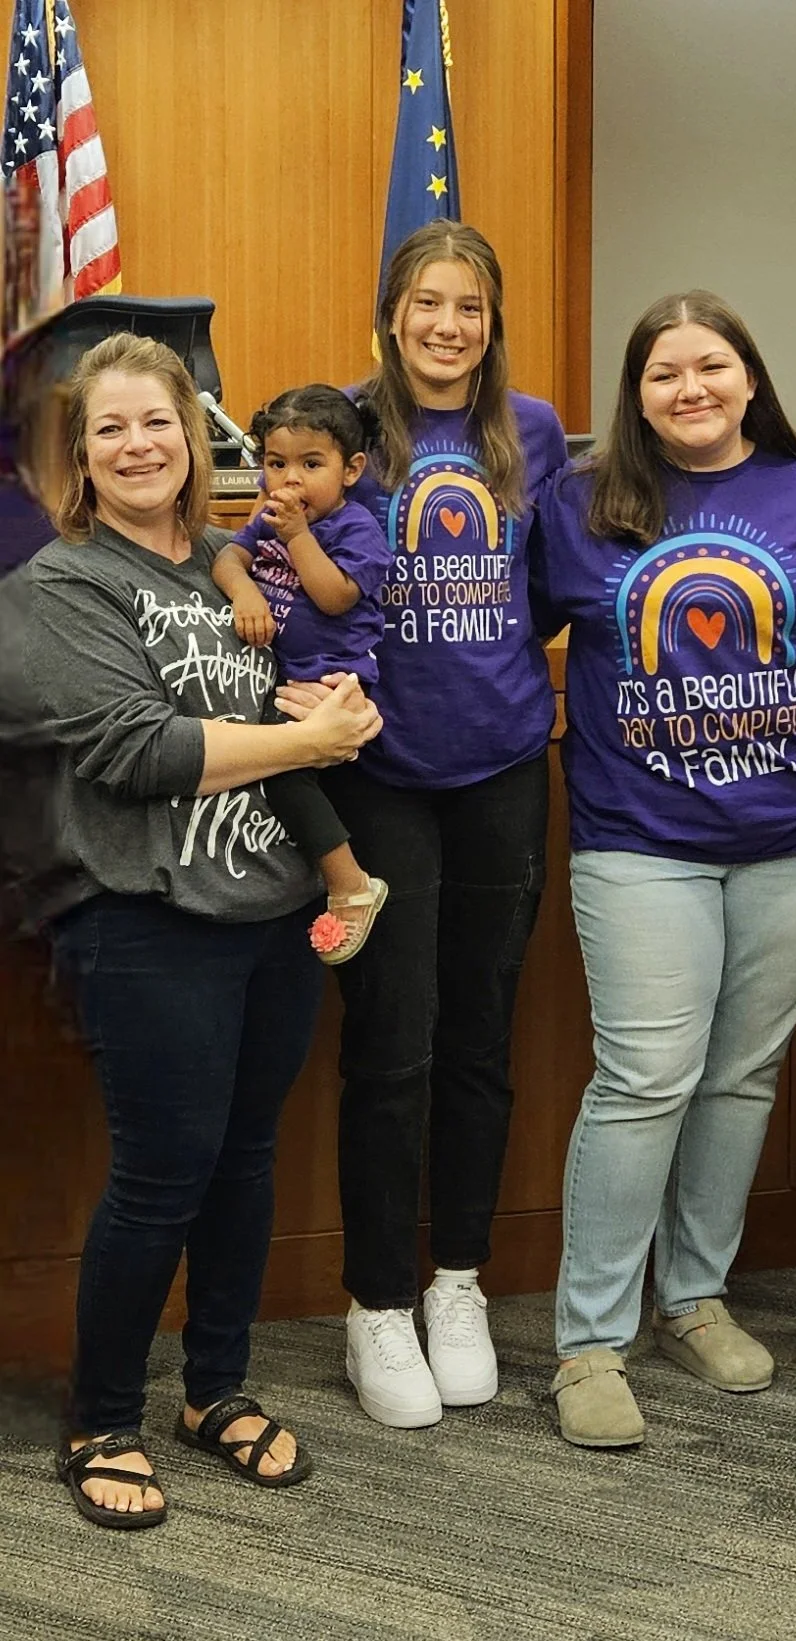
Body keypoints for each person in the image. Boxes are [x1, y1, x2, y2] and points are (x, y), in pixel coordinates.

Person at [23, 333, 380, 1527]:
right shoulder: (57, 588)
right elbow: (139, 752)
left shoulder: (237, 561)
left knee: (245, 1161)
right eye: (109, 428)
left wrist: (331, 708)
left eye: (157, 422)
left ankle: (214, 1391)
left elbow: (283, 693)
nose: (137, 445)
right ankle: (102, 1418)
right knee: (162, 1174)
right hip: (141, 914)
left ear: (194, 437)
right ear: (79, 455)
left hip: (271, 907)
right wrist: (309, 745)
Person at [533, 290, 796, 1447]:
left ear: (750, 378)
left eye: (712, 366)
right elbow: (506, 639)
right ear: (634, 396)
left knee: (740, 1077)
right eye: (662, 373)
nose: (689, 389)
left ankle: (692, 1296)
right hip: (639, 841)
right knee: (645, 1075)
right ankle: (589, 1340)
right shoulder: (581, 506)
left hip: (792, 841)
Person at [315, 221, 571, 1430]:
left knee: (479, 1037)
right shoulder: (347, 434)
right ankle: (375, 1302)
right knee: (393, 1042)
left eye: (469, 304)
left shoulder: (535, 435)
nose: (448, 325)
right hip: (379, 775)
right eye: (427, 302)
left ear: (492, 318)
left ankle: (456, 1284)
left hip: (504, 769)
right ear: (392, 312)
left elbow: (560, 587)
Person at [212, 385, 393, 964]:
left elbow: (336, 596)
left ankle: (351, 885)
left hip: (331, 687)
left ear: (351, 469)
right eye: (275, 463)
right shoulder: (269, 516)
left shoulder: (356, 529)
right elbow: (227, 556)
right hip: (280, 677)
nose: (290, 480)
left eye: (311, 464)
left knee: (283, 774)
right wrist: (245, 592)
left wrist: (295, 536)